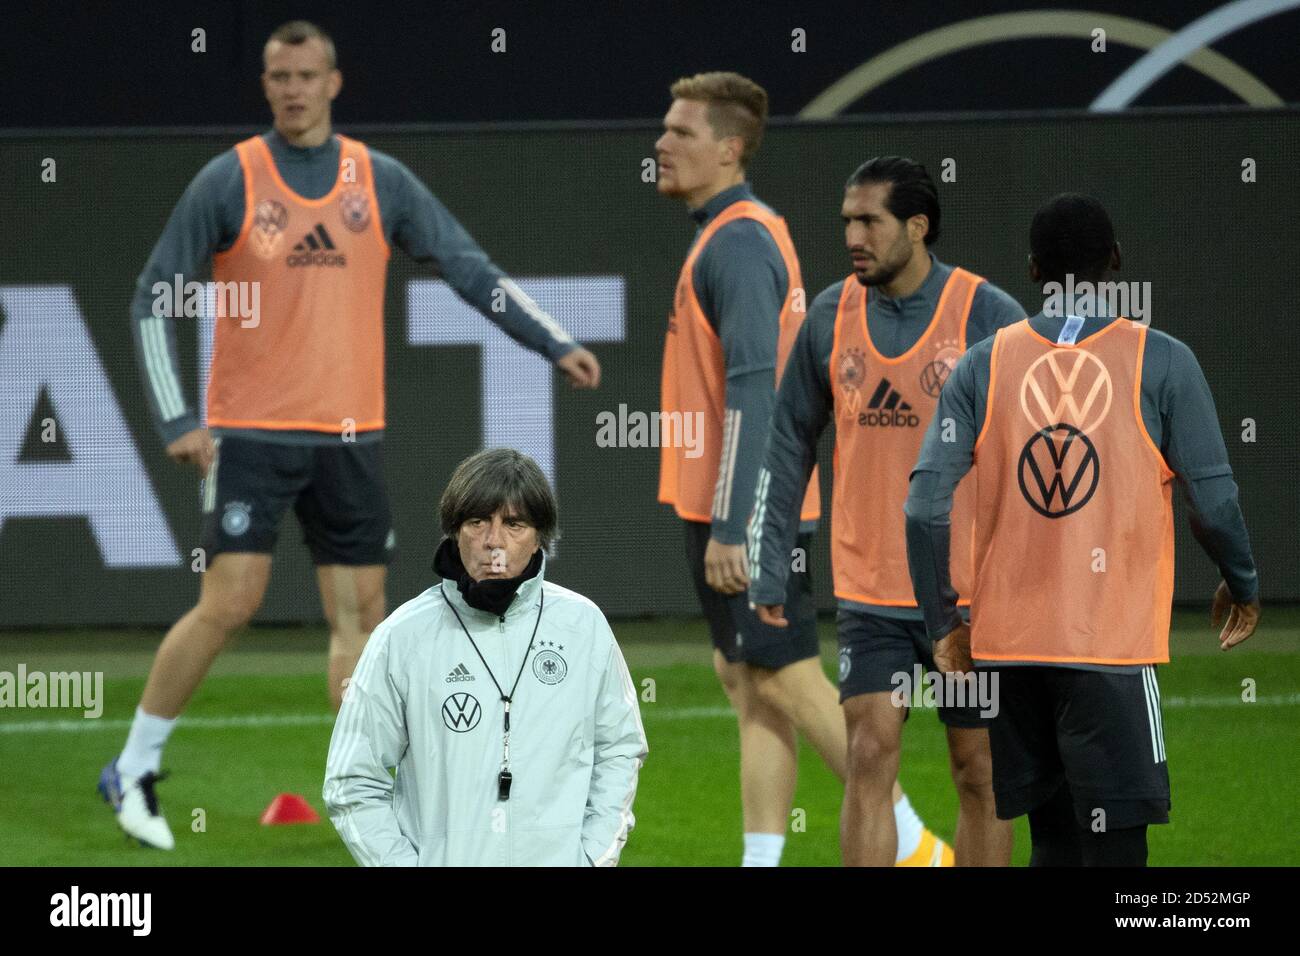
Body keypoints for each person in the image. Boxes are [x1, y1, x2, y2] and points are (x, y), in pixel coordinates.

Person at [100, 20, 602, 850]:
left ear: (335, 81)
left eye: (306, 74)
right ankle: (135, 765)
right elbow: (154, 292)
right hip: (252, 435)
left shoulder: (381, 180)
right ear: (265, 85)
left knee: (365, 624)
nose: (292, 88)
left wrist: (553, 339)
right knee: (230, 601)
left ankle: (367, 798)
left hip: (350, 438)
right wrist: (178, 419)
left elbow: (468, 267)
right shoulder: (233, 178)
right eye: (277, 76)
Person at [905, 193, 1261, 866]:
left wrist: (943, 623)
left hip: (1011, 653)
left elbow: (924, 507)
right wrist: (1241, 581)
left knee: (1055, 840)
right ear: (1117, 260)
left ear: (1035, 268)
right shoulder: (1164, 360)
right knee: (1118, 848)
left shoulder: (981, 364)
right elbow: (1212, 504)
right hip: (1111, 652)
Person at [656, 75, 943, 867]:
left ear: (730, 147)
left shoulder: (741, 243)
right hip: (725, 503)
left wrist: (735, 525)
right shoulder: (730, 234)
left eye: (681, 132)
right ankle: (761, 860)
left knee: (783, 676)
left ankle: (916, 845)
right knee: (749, 679)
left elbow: (756, 385)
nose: (662, 144)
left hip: (746, 512)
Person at [751, 157, 1020, 866]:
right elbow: (787, 447)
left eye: (869, 220)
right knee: (869, 754)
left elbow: (1032, 454)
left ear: (918, 225)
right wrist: (770, 561)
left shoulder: (987, 316)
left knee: (980, 771)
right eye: (847, 221)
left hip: (968, 598)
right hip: (870, 589)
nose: (852, 235)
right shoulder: (829, 318)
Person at [323, 448, 645, 866]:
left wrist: (592, 858)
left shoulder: (583, 627)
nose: (494, 541)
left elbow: (619, 748)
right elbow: (351, 781)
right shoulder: (402, 638)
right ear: (455, 531)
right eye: (478, 522)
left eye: (514, 524)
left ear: (539, 536)